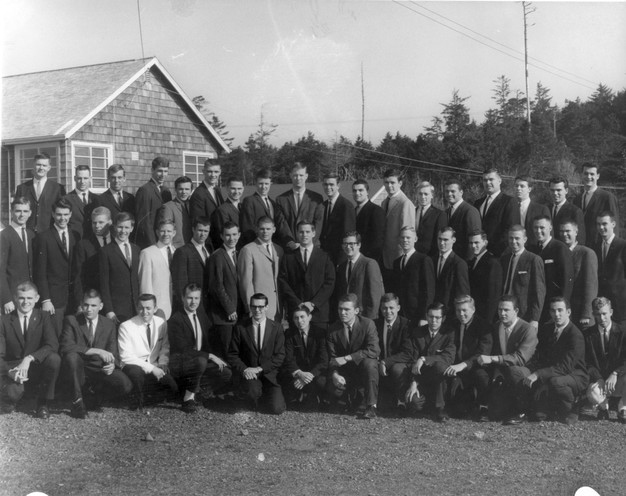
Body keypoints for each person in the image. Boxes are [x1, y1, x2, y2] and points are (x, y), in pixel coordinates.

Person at [509, 297, 587, 425]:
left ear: (568, 312)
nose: (556, 314)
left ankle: (572, 407)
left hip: (573, 375)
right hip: (550, 373)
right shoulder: (547, 328)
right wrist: (529, 369)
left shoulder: (575, 335)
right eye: (553, 311)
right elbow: (539, 354)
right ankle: (524, 410)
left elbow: (565, 367)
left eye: (560, 310)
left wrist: (538, 374)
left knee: (556, 382)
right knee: (517, 372)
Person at [59, 290, 132, 418]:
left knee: (125, 385)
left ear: (101, 306)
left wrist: (112, 365)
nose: (89, 309)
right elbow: (66, 346)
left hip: (99, 369)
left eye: (93, 305)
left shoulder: (109, 324)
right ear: (81, 304)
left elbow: (113, 351)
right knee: (71, 357)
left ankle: (93, 397)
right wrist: (97, 350)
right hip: (79, 369)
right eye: (86, 305)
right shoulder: (72, 320)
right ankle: (77, 403)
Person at [168, 284, 232, 414]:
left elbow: (209, 341)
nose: (193, 302)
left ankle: (208, 394)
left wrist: (216, 357)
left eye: (196, 298)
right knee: (201, 361)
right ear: (182, 298)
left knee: (226, 372)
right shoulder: (176, 320)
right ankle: (188, 398)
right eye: (190, 298)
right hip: (181, 362)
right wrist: (209, 356)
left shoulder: (201, 315)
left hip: (199, 359)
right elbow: (183, 349)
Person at [0, 282, 60, 418]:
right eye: (21, 298)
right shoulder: (4, 320)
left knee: (54, 359)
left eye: (29, 298)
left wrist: (29, 358)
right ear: (15, 298)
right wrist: (9, 372)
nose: (25, 302)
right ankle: (16, 396)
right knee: (11, 396)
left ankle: (43, 403)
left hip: (36, 365)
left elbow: (52, 344)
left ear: (37, 298)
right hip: (15, 369)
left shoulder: (43, 316)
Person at [477, 295, 538, 423]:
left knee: (513, 371)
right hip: (502, 368)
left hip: (523, 369)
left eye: (506, 310)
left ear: (516, 311)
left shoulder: (528, 329)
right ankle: (486, 407)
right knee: (481, 372)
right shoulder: (496, 326)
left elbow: (520, 358)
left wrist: (493, 359)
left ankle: (521, 411)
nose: (502, 313)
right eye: (500, 309)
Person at [227, 293, 286, 414]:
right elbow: (232, 355)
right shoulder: (240, 327)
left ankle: (264, 396)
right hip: (250, 374)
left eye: (260, 306)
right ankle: (253, 396)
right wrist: (245, 369)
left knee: (277, 409)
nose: (257, 310)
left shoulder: (277, 328)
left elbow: (280, 356)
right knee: (251, 393)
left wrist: (260, 369)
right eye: (254, 306)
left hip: (269, 375)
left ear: (267, 307)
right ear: (250, 307)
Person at [118, 294, 178, 411]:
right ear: (137, 308)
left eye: (148, 308)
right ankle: (137, 400)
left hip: (154, 363)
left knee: (172, 387)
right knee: (137, 374)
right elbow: (126, 357)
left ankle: (146, 395)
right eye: (141, 308)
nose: (144, 312)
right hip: (133, 365)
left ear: (155, 309)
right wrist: (152, 369)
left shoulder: (161, 322)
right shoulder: (126, 326)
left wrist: (163, 362)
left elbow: (165, 345)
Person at [326, 293, 380, 419]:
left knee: (371, 363)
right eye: (340, 309)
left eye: (347, 309)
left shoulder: (367, 324)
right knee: (335, 399)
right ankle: (350, 398)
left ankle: (371, 406)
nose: (342, 313)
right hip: (345, 373)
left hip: (363, 369)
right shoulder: (333, 329)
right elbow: (332, 357)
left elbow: (374, 350)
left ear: (356, 311)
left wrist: (347, 358)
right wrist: (335, 374)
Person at [278, 221, 335, 328]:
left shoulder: (324, 256)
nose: (304, 235)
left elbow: (330, 282)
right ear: (297, 233)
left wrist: (313, 303)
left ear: (313, 233)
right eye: (301, 232)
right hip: (296, 312)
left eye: (307, 232)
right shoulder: (288, 257)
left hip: (318, 313)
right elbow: (283, 281)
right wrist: (297, 302)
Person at [405, 302, 456, 423]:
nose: (434, 320)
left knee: (440, 366)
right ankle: (429, 405)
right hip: (422, 379)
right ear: (426, 316)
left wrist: (424, 359)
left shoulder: (449, 333)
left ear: (443, 318)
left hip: (441, 381)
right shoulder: (418, 332)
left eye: (437, 317)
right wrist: (414, 383)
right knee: (415, 403)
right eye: (431, 316)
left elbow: (448, 357)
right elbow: (412, 359)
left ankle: (440, 408)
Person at [444, 296, 493, 421]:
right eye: (458, 310)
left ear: (473, 309)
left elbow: (482, 353)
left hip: (475, 366)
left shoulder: (484, 326)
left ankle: (484, 408)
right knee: (459, 410)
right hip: (456, 366)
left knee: (482, 376)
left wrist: (463, 365)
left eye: (464, 310)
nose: (461, 314)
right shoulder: (452, 324)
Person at [33, 198, 77, 336]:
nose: (62, 218)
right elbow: (40, 272)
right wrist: (46, 300)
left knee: (71, 338)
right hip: (53, 301)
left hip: (73, 299)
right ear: (53, 214)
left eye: (66, 214)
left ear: (70, 214)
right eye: (59, 214)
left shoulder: (76, 236)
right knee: (55, 337)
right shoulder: (43, 237)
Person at [583, 297, 626, 423]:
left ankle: (623, 407)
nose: (601, 318)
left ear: (611, 312)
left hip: (619, 378)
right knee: (592, 392)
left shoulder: (623, 331)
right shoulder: (588, 335)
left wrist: (616, 373)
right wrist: (598, 378)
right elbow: (586, 362)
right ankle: (603, 407)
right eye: (598, 314)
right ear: (593, 314)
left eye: (604, 313)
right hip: (601, 380)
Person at [280, 305, 328, 409]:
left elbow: (323, 361)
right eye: (296, 318)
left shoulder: (320, 333)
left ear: (309, 317)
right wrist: (300, 374)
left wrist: (308, 376)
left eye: (302, 317)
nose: (299, 321)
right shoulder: (289, 333)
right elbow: (288, 358)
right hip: (298, 372)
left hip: (314, 373)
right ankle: (299, 396)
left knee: (321, 383)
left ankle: (315, 396)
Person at [206, 222, 243, 359]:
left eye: (234, 234)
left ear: (239, 235)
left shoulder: (239, 254)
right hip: (224, 316)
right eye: (227, 235)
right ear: (221, 236)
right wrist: (230, 309)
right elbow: (216, 286)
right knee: (227, 354)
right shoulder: (217, 256)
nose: (231, 238)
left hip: (238, 314)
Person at [528, 215, 574, 323]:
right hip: (538, 307)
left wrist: (561, 309)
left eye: (542, 227)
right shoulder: (532, 249)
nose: (538, 231)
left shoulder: (560, 248)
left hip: (554, 308)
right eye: (535, 228)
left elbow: (567, 281)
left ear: (550, 228)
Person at [238, 217, 283, 321]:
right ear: (256, 229)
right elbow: (245, 282)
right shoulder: (248, 250)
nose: (265, 232)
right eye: (262, 229)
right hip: (258, 308)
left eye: (268, 229)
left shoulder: (279, 250)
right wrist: (251, 307)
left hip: (277, 307)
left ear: (274, 229)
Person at [499, 225, 546, 328]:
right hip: (504, 313)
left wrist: (535, 319)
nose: (513, 241)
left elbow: (539, 292)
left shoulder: (533, 259)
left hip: (523, 314)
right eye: (511, 238)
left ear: (525, 239)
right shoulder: (504, 259)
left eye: (517, 238)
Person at [99, 212, 141, 325]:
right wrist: (109, 310)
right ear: (114, 227)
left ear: (132, 228)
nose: (123, 231)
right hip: (117, 309)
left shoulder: (137, 250)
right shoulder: (106, 251)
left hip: (136, 308)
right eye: (120, 227)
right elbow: (104, 284)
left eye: (126, 227)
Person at [375, 294, 413, 411]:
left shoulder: (406, 324)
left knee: (397, 368)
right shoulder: (375, 324)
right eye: (384, 308)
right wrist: (379, 361)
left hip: (398, 364)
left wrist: (385, 362)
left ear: (398, 308)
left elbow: (407, 353)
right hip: (380, 366)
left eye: (391, 308)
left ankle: (401, 402)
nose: (388, 311)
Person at [334, 232, 384, 320]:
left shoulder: (369, 264)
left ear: (359, 245)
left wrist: (370, 320)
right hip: (348, 318)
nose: (348, 246)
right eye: (345, 244)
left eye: (351, 243)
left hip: (364, 317)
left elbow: (375, 296)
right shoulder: (342, 267)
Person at [71, 206, 113, 311]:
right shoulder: (83, 245)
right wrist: (79, 303)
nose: (97, 226)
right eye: (94, 223)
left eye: (101, 222)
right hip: (93, 300)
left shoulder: (117, 241)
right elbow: (78, 276)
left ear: (110, 222)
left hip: (114, 299)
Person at [275, 162, 324, 250]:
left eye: (301, 175)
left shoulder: (316, 198)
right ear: (290, 176)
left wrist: (307, 243)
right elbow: (282, 224)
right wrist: (290, 242)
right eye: (295, 175)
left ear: (306, 176)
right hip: (290, 248)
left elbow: (318, 223)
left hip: (311, 247)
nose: (298, 178)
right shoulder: (281, 199)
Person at [392, 226, 435, 326]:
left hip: (417, 315)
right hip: (400, 315)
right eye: (402, 237)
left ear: (415, 239)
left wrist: (424, 317)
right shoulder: (397, 262)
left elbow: (429, 291)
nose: (405, 240)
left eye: (408, 237)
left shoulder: (424, 260)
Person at [15, 152, 66, 234]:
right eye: (38, 165)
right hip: (27, 233)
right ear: (33, 166)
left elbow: (62, 212)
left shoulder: (58, 188)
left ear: (49, 168)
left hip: (50, 234)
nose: (41, 168)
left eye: (44, 165)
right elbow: (16, 212)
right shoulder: (22, 188)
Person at [559, 221, 598, 328]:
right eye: (561, 231)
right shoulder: (559, 253)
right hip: (564, 313)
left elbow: (591, 286)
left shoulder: (586, 253)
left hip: (580, 314)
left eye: (568, 231)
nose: (564, 234)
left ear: (576, 232)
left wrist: (586, 314)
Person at [171, 217, 212, 313]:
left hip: (208, 304)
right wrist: (187, 306)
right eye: (200, 230)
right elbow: (180, 284)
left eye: (206, 231)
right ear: (193, 229)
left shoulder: (209, 249)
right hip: (192, 304)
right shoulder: (182, 252)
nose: (203, 234)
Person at [573, 162, 620, 246]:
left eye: (592, 174)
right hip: (580, 246)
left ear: (598, 176)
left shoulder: (607, 197)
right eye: (586, 173)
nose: (588, 177)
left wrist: (614, 247)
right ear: (581, 175)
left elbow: (614, 226)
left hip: (600, 246)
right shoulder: (577, 199)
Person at [1, 197, 34, 314]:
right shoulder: (4, 236)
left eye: (25, 211)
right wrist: (6, 299)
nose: (22, 215)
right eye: (18, 211)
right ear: (11, 212)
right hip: (13, 298)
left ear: (30, 213)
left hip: (30, 297)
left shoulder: (32, 235)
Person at [138, 219, 177, 320]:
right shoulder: (147, 253)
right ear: (157, 232)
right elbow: (145, 285)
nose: (166, 234)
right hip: (158, 307)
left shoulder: (176, 251)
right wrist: (149, 308)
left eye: (169, 231)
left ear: (174, 233)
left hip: (176, 306)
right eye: (162, 231)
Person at [240, 169, 289, 246]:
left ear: (270, 184)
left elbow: (280, 224)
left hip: (273, 245)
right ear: (255, 183)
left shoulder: (273, 203)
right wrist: (255, 246)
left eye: (266, 184)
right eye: (260, 183)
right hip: (257, 245)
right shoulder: (249, 201)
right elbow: (247, 228)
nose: (263, 187)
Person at [473, 169, 514, 257]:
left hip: (498, 254)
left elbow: (509, 230)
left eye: (491, 179)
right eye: (485, 180)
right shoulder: (477, 203)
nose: (488, 183)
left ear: (499, 181)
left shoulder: (508, 201)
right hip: (478, 253)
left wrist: (494, 251)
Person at [381, 169, 416, 272]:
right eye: (386, 182)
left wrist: (404, 257)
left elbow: (407, 234)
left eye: (392, 182)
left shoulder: (405, 203)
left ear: (400, 183)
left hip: (398, 255)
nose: (389, 186)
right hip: (385, 254)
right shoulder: (384, 202)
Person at [134, 156, 172, 249]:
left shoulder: (166, 191)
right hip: (150, 243)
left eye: (165, 171)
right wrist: (153, 245)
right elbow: (144, 222)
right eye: (160, 171)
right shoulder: (145, 190)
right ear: (152, 170)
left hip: (164, 240)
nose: (163, 174)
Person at [318, 173, 356, 265]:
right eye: (326, 184)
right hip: (324, 255)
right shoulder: (323, 205)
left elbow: (348, 235)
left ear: (338, 185)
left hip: (339, 257)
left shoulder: (346, 206)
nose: (328, 187)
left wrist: (342, 260)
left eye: (331, 184)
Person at [596, 212, 626, 325]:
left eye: (604, 224)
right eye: (598, 224)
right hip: (602, 304)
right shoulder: (595, 246)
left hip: (620, 305)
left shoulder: (623, 246)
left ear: (613, 224)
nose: (601, 227)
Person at [432, 227, 470, 312]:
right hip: (434, 311)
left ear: (453, 240)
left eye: (445, 240)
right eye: (439, 239)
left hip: (450, 312)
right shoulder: (432, 260)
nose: (442, 243)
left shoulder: (459, 263)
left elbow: (463, 293)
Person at [468, 230, 502, 323]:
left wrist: (488, 321)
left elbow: (494, 295)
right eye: (471, 243)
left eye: (476, 242)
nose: (473, 246)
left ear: (485, 243)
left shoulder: (492, 263)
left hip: (485, 316)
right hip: (474, 313)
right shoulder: (472, 262)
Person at [444, 179, 481, 260]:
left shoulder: (470, 211)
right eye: (447, 191)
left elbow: (474, 240)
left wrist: (468, 262)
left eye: (453, 191)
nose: (449, 194)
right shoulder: (446, 212)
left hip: (464, 260)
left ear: (461, 192)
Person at [189, 159, 224, 239]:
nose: (213, 175)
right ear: (203, 171)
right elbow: (199, 224)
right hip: (208, 239)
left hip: (220, 238)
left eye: (216, 172)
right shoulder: (198, 194)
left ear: (220, 172)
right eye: (209, 171)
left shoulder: (218, 190)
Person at [511, 176, 550, 246]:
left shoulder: (541, 209)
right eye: (516, 186)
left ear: (529, 189)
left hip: (535, 248)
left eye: (522, 186)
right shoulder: (509, 208)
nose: (518, 188)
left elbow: (548, 234)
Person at [64, 165, 100, 239]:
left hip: (94, 240)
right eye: (79, 178)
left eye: (85, 178)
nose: (82, 182)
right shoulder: (66, 199)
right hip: (75, 240)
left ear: (90, 179)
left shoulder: (97, 199)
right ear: (75, 178)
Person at [352, 179, 385, 261]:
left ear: (367, 192)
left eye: (360, 190)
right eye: (354, 191)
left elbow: (378, 240)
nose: (357, 193)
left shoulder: (376, 211)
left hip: (370, 258)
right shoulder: (353, 211)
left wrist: (370, 260)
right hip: (355, 257)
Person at [157, 175, 193, 249]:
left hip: (192, 247)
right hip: (177, 248)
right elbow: (166, 231)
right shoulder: (168, 207)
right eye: (181, 189)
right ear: (175, 190)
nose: (184, 192)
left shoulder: (193, 205)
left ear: (191, 190)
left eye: (187, 189)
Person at [548, 176, 585, 246]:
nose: (555, 193)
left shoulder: (575, 211)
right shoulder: (546, 209)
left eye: (558, 190)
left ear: (566, 190)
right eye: (552, 190)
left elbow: (580, 239)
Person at [415, 181, 447, 257]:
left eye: (426, 194)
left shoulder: (439, 215)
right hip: (413, 256)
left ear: (432, 195)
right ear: (417, 195)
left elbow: (440, 239)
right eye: (420, 194)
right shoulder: (411, 212)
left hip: (430, 257)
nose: (423, 197)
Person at [211, 176, 244, 249]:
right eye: (233, 188)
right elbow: (225, 236)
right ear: (227, 189)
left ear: (243, 189)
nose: (236, 192)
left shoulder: (244, 206)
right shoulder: (222, 210)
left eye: (239, 188)